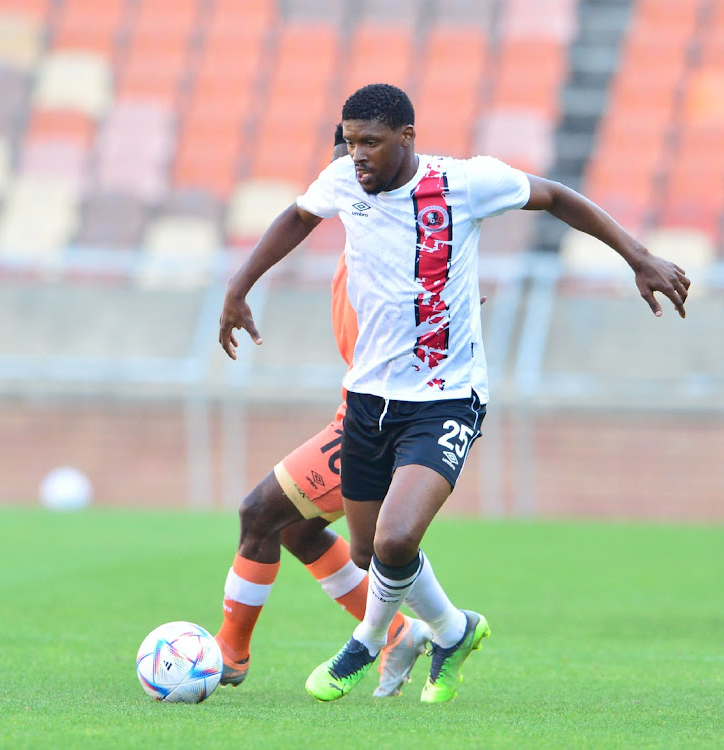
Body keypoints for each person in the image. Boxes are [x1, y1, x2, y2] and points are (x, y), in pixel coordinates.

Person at [218, 84, 690, 704]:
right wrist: (239, 286)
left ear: (407, 138)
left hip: (446, 397)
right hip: (367, 402)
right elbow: (298, 216)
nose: (356, 155)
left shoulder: (467, 183)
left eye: (370, 143)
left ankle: (368, 639)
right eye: (350, 141)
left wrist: (639, 256)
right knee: (365, 551)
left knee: (393, 540)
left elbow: (555, 196)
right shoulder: (341, 185)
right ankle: (451, 628)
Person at [215, 124, 432, 699]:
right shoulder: (362, 231)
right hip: (362, 409)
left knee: (260, 514)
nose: (355, 174)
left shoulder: (400, 237)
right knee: (301, 532)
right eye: (347, 163)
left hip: (381, 420)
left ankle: (228, 656)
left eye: (365, 160)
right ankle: (404, 632)